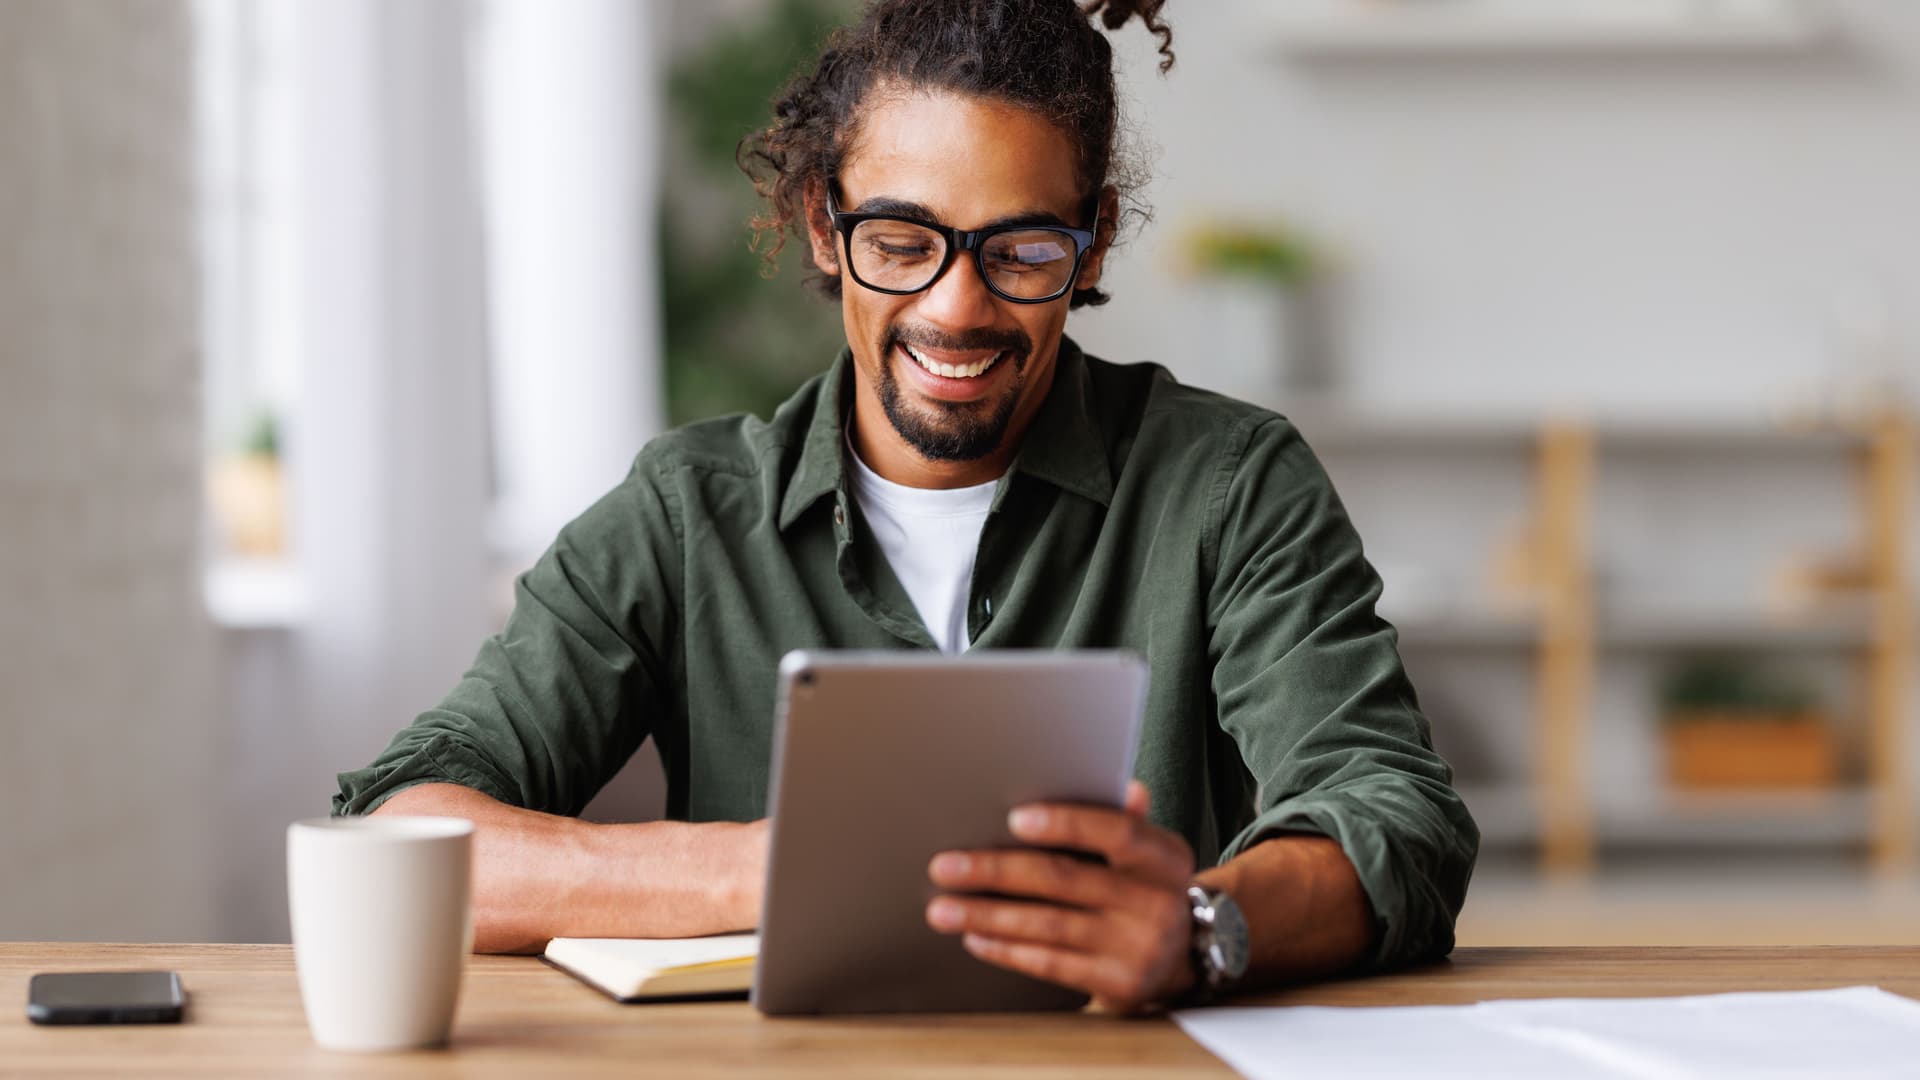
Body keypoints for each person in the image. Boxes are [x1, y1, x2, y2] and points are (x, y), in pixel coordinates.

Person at [335, 0, 1477, 1013]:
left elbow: (1393, 815)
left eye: (1022, 250)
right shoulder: (687, 514)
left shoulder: (1230, 485)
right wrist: (773, 867)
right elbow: (403, 834)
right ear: (826, 230)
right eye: (901, 242)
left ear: (1094, 243)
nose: (956, 307)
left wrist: (1199, 926)